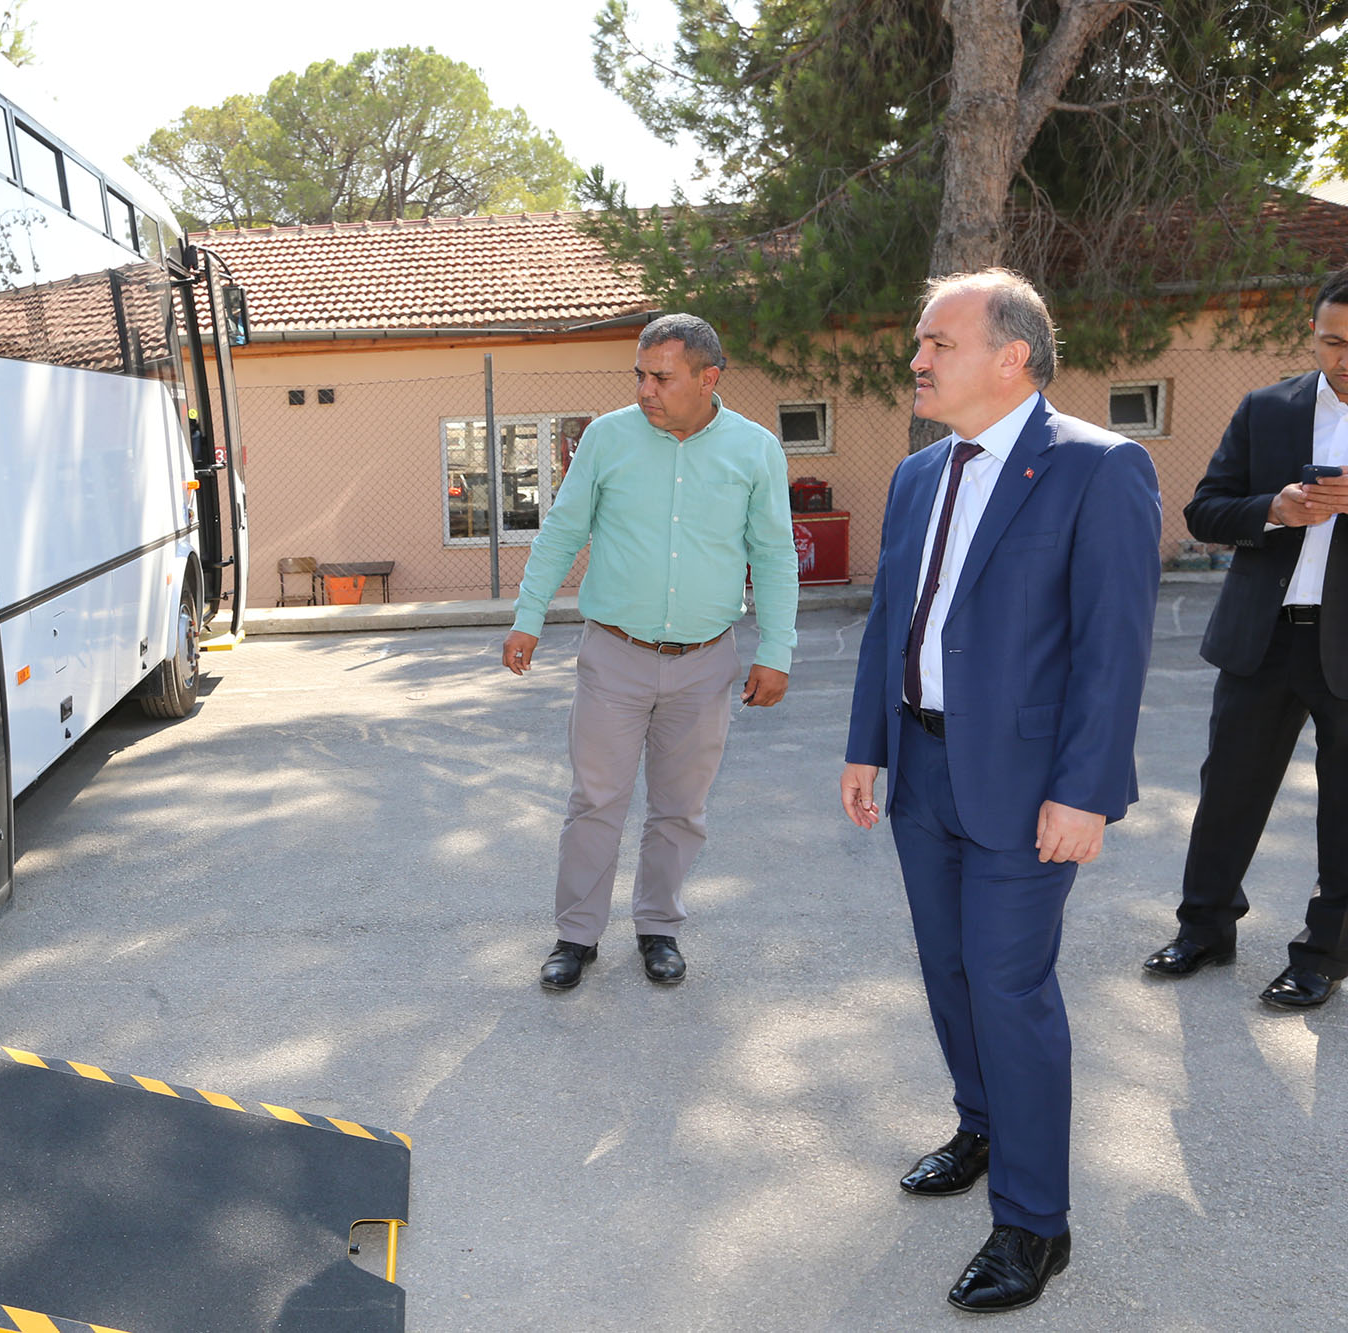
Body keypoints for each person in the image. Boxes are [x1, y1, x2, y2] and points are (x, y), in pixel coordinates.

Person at [839, 270, 1160, 1313]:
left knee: (1009, 987)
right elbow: (891, 620)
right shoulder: (915, 474)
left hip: (1028, 788)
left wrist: (1085, 792)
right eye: (919, 341)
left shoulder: (1098, 467)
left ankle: (1033, 1222)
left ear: (1010, 356)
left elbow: (1112, 649)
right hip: (919, 767)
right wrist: (866, 745)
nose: (917, 359)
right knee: (948, 970)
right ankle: (981, 1124)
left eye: (938, 342)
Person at [503, 313, 796, 991]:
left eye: (661, 377)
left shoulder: (755, 450)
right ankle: (577, 936)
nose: (645, 390)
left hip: (705, 662)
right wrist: (528, 616)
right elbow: (563, 530)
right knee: (595, 801)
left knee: (680, 808)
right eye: (640, 375)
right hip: (615, 655)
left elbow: (775, 556)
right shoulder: (607, 438)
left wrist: (777, 650)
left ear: (708, 377)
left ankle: (658, 927)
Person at [1142, 269, 1348, 1007]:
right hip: (1262, 638)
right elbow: (1204, 510)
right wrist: (1274, 508)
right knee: (1228, 790)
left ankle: (1323, 954)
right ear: (1313, 335)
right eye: (1332, 341)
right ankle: (1204, 929)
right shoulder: (1267, 409)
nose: (1344, 358)